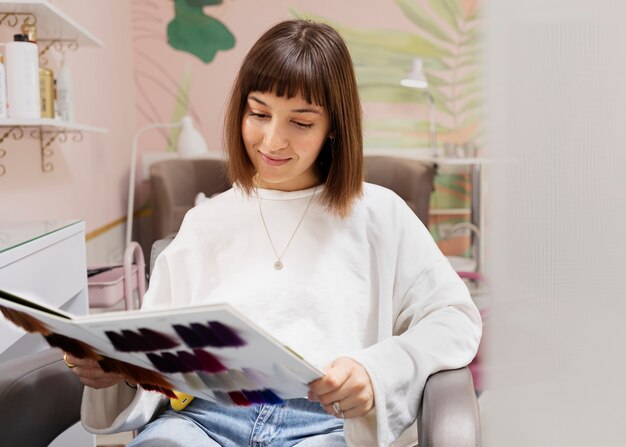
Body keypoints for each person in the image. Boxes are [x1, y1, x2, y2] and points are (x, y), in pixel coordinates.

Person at [65, 19, 481, 447]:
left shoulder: (381, 214)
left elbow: (454, 319)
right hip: (201, 422)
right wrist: (117, 371)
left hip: (325, 427)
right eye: (259, 114)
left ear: (333, 126)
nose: (272, 140)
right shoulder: (206, 223)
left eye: (300, 123)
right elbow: (157, 358)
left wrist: (377, 370)